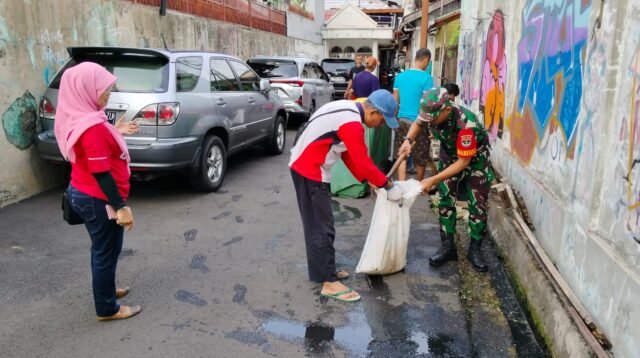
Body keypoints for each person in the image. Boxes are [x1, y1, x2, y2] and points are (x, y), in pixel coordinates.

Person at [290, 89, 404, 302]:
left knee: (320, 224)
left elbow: (348, 155)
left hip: (307, 166)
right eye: (381, 121)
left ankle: (325, 270)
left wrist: (367, 180)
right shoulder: (351, 123)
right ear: (373, 112)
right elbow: (361, 161)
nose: (380, 126)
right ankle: (329, 282)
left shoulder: (348, 110)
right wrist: (387, 185)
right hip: (309, 170)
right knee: (321, 227)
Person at [55, 62, 142, 320]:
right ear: (86, 89)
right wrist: (121, 207)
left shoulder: (86, 117)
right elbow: (101, 172)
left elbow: (90, 147)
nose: (109, 94)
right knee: (105, 251)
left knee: (104, 249)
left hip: (86, 192)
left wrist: (115, 131)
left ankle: (105, 289)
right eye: (105, 89)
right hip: (98, 198)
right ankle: (106, 308)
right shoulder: (91, 127)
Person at [398, 83, 494, 272]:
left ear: (447, 109)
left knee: (478, 203)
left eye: (433, 118)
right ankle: (448, 246)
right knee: (444, 199)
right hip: (449, 155)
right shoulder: (430, 111)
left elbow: (463, 163)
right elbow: (418, 123)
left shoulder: (467, 125)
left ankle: (475, 249)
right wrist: (408, 141)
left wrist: (433, 179)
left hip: (474, 160)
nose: (430, 122)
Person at [393, 48, 434, 181]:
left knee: (402, 153)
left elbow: (395, 101)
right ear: (426, 60)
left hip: (402, 120)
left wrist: (395, 120)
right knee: (420, 156)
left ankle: (401, 183)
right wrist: (431, 126)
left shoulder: (400, 77)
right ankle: (419, 185)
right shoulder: (427, 78)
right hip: (419, 123)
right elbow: (427, 105)